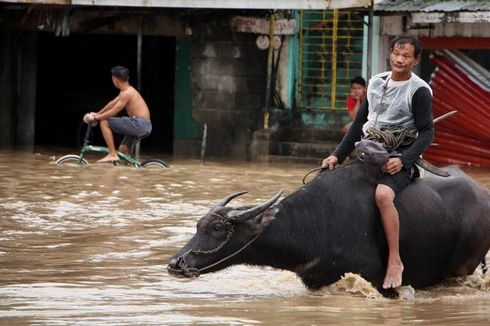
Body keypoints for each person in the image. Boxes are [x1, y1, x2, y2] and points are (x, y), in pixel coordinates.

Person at [322, 34, 434, 289]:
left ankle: (395, 260)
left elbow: (427, 131)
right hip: (368, 152)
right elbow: (359, 124)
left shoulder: (419, 91)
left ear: (416, 60)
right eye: (396, 53)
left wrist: (404, 161)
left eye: (406, 56)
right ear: (390, 54)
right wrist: (336, 155)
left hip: (398, 157)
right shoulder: (375, 83)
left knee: (383, 196)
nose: (399, 59)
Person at [85, 66, 152, 163]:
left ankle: (112, 154)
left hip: (139, 123)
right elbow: (111, 104)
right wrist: (97, 113)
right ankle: (126, 171)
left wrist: (96, 118)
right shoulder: (126, 91)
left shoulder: (127, 93)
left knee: (105, 122)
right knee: (122, 152)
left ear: (115, 79)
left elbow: (114, 111)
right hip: (142, 125)